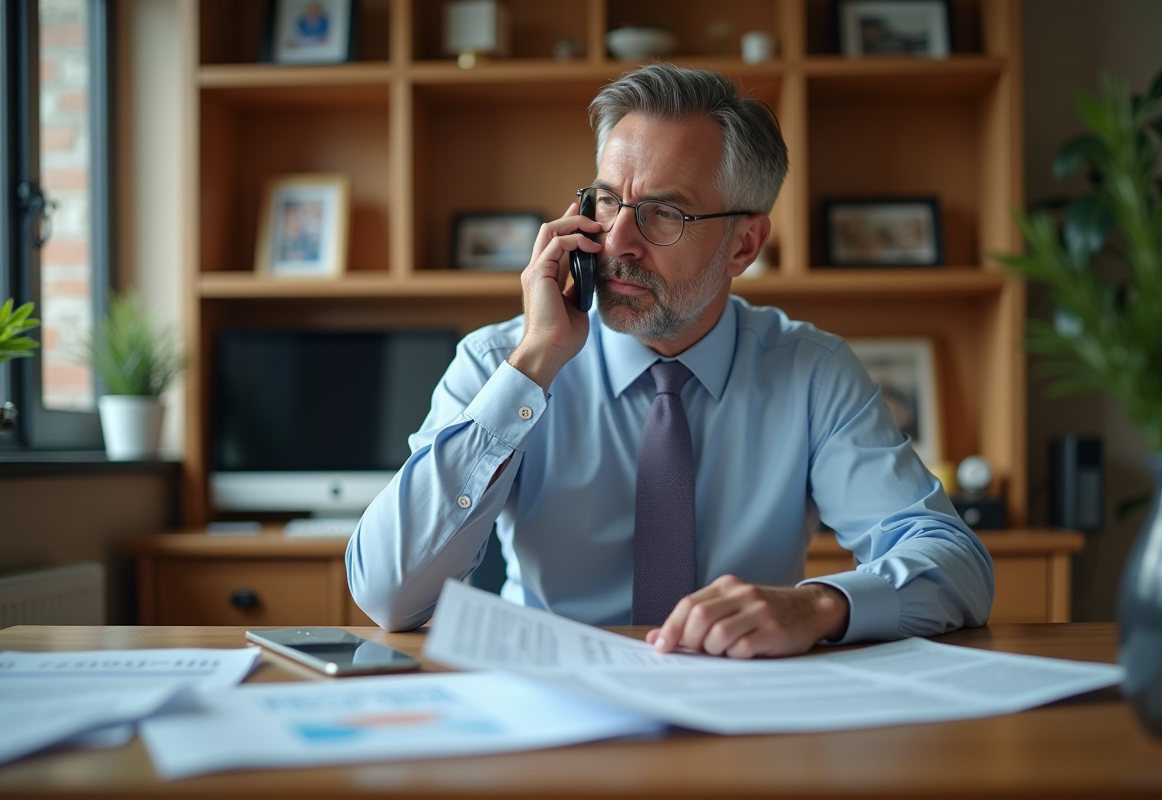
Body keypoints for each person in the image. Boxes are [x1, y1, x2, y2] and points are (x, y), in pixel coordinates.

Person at [346, 64, 993, 658]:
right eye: (607, 201)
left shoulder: (810, 373)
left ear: (744, 245)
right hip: (551, 699)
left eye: (665, 214)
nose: (618, 242)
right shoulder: (501, 362)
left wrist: (820, 605)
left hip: (742, 704)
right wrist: (534, 363)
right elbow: (386, 596)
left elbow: (958, 565)